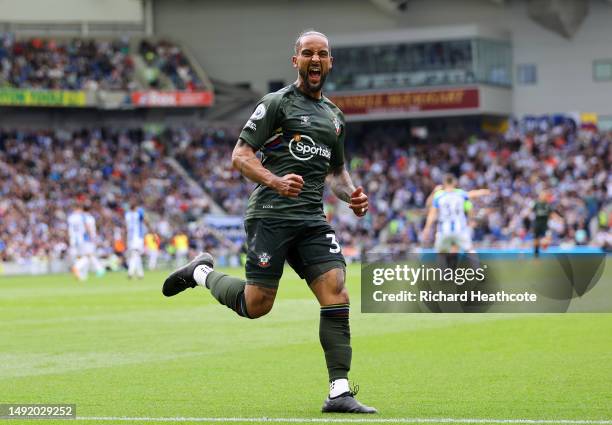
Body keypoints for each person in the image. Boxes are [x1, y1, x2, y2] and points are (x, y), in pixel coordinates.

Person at [162, 30, 376, 414]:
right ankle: (200, 273)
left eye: (321, 54)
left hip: (311, 219)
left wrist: (353, 195)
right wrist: (275, 181)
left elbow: (336, 174)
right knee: (257, 305)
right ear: (295, 61)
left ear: (329, 63)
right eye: (307, 53)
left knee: (337, 291)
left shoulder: (334, 117)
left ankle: (339, 390)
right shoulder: (277, 104)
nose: (315, 59)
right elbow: (241, 155)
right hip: (270, 216)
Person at [421, 174, 489, 253]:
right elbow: (472, 196)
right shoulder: (460, 194)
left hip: (444, 230)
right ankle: (475, 265)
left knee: (441, 253)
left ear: (444, 183)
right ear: (454, 183)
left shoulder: (438, 195)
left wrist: (427, 228)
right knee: (469, 250)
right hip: (460, 228)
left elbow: (429, 209)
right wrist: (485, 191)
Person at [532, 191, 563, 257]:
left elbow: (552, 214)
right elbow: (530, 211)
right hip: (537, 225)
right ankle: (536, 255)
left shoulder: (547, 205)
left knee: (548, 238)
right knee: (536, 240)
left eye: (544, 195)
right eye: (542, 195)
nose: (543, 196)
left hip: (545, 225)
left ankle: (543, 246)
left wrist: (559, 219)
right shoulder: (536, 204)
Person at [125, 200, 148, 279]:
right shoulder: (138, 214)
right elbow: (145, 220)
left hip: (129, 237)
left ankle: (140, 274)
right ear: (135, 207)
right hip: (137, 237)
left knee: (136, 255)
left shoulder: (127, 215)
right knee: (135, 254)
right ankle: (130, 272)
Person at [67, 203, 89, 281]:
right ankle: (76, 267)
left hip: (72, 240)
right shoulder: (82, 217)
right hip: (80, 239)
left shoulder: (70, 217)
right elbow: (86, 227)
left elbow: (69, 229)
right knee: (86, 257)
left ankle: (80, 276)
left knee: (78, 257)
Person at [83, 204, 106, 277]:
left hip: (88, 239)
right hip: (91, 238)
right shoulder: (91, 218)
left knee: (89, 255)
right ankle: (84, 273)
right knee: (88, 255)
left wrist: (90, 237)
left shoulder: (85, 218)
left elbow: (88, 228)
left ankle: (100, 269)